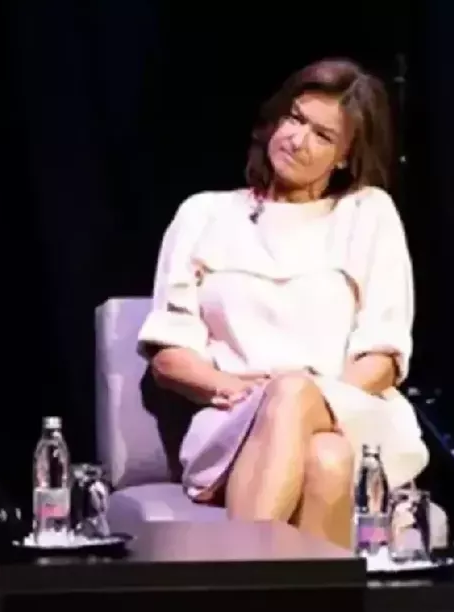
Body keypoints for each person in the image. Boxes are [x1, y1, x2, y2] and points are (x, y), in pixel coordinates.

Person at [137, 58, 427, 545]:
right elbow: (170, 355)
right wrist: (236, 391)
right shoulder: (204, 214)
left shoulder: (367, 213)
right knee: (325, 457)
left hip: (350, 412)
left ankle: (241, 579)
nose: (296, 139)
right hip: (235, 417)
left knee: (313, 423)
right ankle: (288, 592)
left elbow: (382, 356)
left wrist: (307, 398)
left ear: (345, 157)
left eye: (322, 135)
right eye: (295, 118)